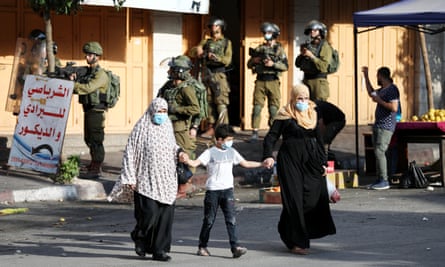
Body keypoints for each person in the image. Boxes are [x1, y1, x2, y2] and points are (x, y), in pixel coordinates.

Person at [108, 97, 187, 262]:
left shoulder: (167, 126)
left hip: (167, 179)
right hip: (145, 179)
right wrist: (130, 176)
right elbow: (130, 153)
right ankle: (140, 235)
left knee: (165, 217)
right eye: (159, 111)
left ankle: (160, 250)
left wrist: (180, 152)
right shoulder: (141, 128)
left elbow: (173, 146)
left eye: (165, 111)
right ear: (152, 111)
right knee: (149, 213)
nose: (162, 115)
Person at [262, 84, 336, 255]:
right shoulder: (285, 115)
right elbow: (271, 137)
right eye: (299, 99)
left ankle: (285, 226)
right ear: (293, 98)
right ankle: (297, 242)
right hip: (290, 162)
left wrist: (323, 162)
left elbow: (319, 140)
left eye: (305, 98)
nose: (302, 102)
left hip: (311, 162)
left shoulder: (313, 114)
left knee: (311, 198)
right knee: (294, 199)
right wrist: (268, 155)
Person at [183, 124, 262, 258]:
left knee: (231, 219)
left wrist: (262, 164)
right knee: (209, 220)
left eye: (231, 139)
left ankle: (235, 247)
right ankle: (202, 246)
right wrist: (186, 159)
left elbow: (246, 163)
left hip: (228, 191)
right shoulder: (210, 152)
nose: (230, 142)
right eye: (227, 139)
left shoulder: (232, 152)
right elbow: (195, 163)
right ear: (219, 139)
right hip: (213, 191)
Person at [69, 41, 109, 179]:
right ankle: (93, 163)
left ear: (97, 56)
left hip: (97, 111)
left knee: (96, 139)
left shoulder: (100, 74)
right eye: (87, 55)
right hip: (88, 109)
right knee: (89, 138)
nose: (87, 57)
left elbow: (87, 88)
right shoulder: (89, 72)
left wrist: (73, 85)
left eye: (90, 55)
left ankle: (97, 167)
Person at [247, 22, 289, 142]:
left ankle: (273, 132)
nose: (266, 35)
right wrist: (255, 60)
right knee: (257, 108)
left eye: (269, 33)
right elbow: (248, 64)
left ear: (274, 34)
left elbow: (285, 66)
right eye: (265, 32)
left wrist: (273, 64)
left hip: (273, 82)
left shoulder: (279, 49)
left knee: (273, 109)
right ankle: (254, 131)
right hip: (260, 81)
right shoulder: (260, 48)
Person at [193, 17, 232, 138]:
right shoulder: (206, 42)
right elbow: (193, 52)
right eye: (210, 27)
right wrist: (198, 49)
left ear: (219, 27)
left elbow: (227, 60)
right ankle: (211, 128)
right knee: (208, 102)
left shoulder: (226, 42)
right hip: (207, 74)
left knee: (221, 102)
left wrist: (216, 58)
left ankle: (223, 130)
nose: (211, 29)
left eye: (213, 26)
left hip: (219, 75)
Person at [362, 66, 400, 190]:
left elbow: (394, 108)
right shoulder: (383, 90)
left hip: (386, 126)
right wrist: (366, 76)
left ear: (381, 76)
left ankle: (384, 180)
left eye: (377, 76)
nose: (377, 79)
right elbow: (371, 93)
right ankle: (379, 179)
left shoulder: (392, 89)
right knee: (377, 151)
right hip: (378, 125)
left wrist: (379, 101)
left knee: (380, 151)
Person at [157, 55, 200, 159]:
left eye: (171, 69)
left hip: (179, 128)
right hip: (166, 125)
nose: (168, 72)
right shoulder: (168, 86)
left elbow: (195, 108)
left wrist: (176, 109)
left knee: (185, 155)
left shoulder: (186, 89)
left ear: (179, 71)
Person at [295, 20, 332, 101]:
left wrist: (311, 56)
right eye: (311, 30)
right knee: (306, 106)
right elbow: (297, 64)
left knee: (319, 107)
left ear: (320, 32)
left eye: (315, 30)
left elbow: (323, 66)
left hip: (318, 82)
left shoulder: (325, 46)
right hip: (307, 80)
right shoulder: (308, 45)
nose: (312, 32)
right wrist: (302, 54)